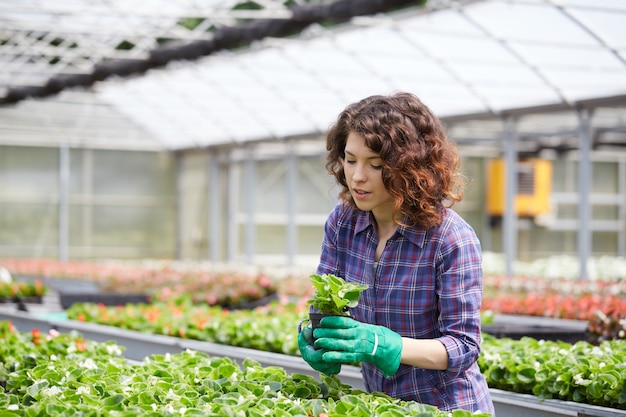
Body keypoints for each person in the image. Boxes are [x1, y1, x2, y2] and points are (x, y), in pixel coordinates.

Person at [298, 92, 495, 415]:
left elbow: (464, 347)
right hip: (383, 406)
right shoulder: (343, 223)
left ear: (409, 168)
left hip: (447, 407)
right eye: (350, 160)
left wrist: (387, 345)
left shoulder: (450, 239)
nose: (357, 176)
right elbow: (325, 301)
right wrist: (314, 335)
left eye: (375, 165)